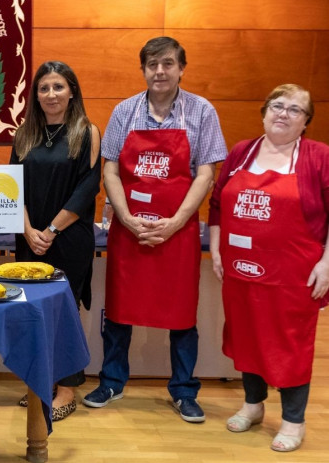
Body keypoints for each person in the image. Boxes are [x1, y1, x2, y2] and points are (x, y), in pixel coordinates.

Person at [82, 36, 227, 423]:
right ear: (143, 69)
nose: (159, 71)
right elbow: (109, 168)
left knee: (182, 316)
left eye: (167, 63)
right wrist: (127, 218)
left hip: (177, 233)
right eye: (151, 65)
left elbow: (206, 172)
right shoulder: (125, 111)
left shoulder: (201, 111)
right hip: (129, 232)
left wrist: (177, 221)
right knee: (118, 312)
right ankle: (112, 381)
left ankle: (183, 390)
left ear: (181, 68)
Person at [209, 84, 328, 451]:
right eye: (277, 106)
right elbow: (217, 205)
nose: (283, 114)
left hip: (294, 275)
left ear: (306, 121)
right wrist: (216, 251)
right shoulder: (242, 152)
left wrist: (327, 262)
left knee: (289, 343)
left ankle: (294, 420)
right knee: (247, 336)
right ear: (263, 112)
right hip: (242, 272)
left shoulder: (319, 157)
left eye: (295, 110)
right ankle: (253, 405)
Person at [9, 61, 101, 421]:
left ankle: (67, 388)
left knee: (64, 310)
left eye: (58, 87)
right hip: (28, 237)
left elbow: (87, 189)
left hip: (68, 237)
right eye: (44, 88)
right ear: (36, 95)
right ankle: (40, 381)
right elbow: (10, 187)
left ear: (72, 91)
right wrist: (29, 230)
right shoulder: (24, 134)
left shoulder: (86, 132)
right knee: (32, 311)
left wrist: (51, 231)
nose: (51, 94)